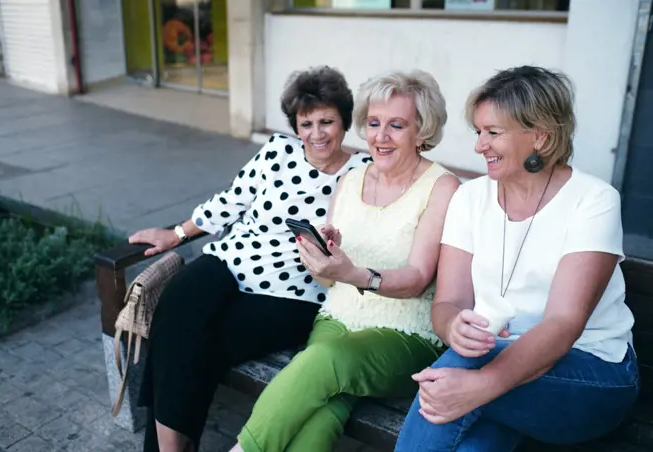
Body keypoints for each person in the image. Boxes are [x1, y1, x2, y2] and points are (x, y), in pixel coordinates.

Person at [395, 66, 639, 452]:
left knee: (448, 379)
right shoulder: (470, 198)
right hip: (501, 371)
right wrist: (453, 327)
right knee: (470, 435)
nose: (479, 146)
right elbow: (448, 302)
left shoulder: (593, 201)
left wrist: (480, 386)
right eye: (479, 132)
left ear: (540, 136)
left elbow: (564, 323)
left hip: (591, 374)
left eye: (493, 133)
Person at [130, 65, 371, 452]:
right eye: (306, 123)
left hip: (296, 290)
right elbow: (230, 201)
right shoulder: (278, 151)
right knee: (175, 309)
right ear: (295, 126)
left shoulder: (363, 172)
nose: (317, 133)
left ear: (344, 121)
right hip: (231, 258)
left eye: (327, 121)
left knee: (198, 345)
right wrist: (176, 233)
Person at [230, 69, 461, 452]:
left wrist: (353, 273)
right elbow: (328, 282)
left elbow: (418, 278)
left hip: (404, 335)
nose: (380, 137)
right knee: (324, 408)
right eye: (373, 123)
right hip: (336, 320)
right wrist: (323, 260)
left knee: (322, 363)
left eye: (396, 125)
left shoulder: (441, 186)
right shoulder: (350, 180)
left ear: (423, 132)